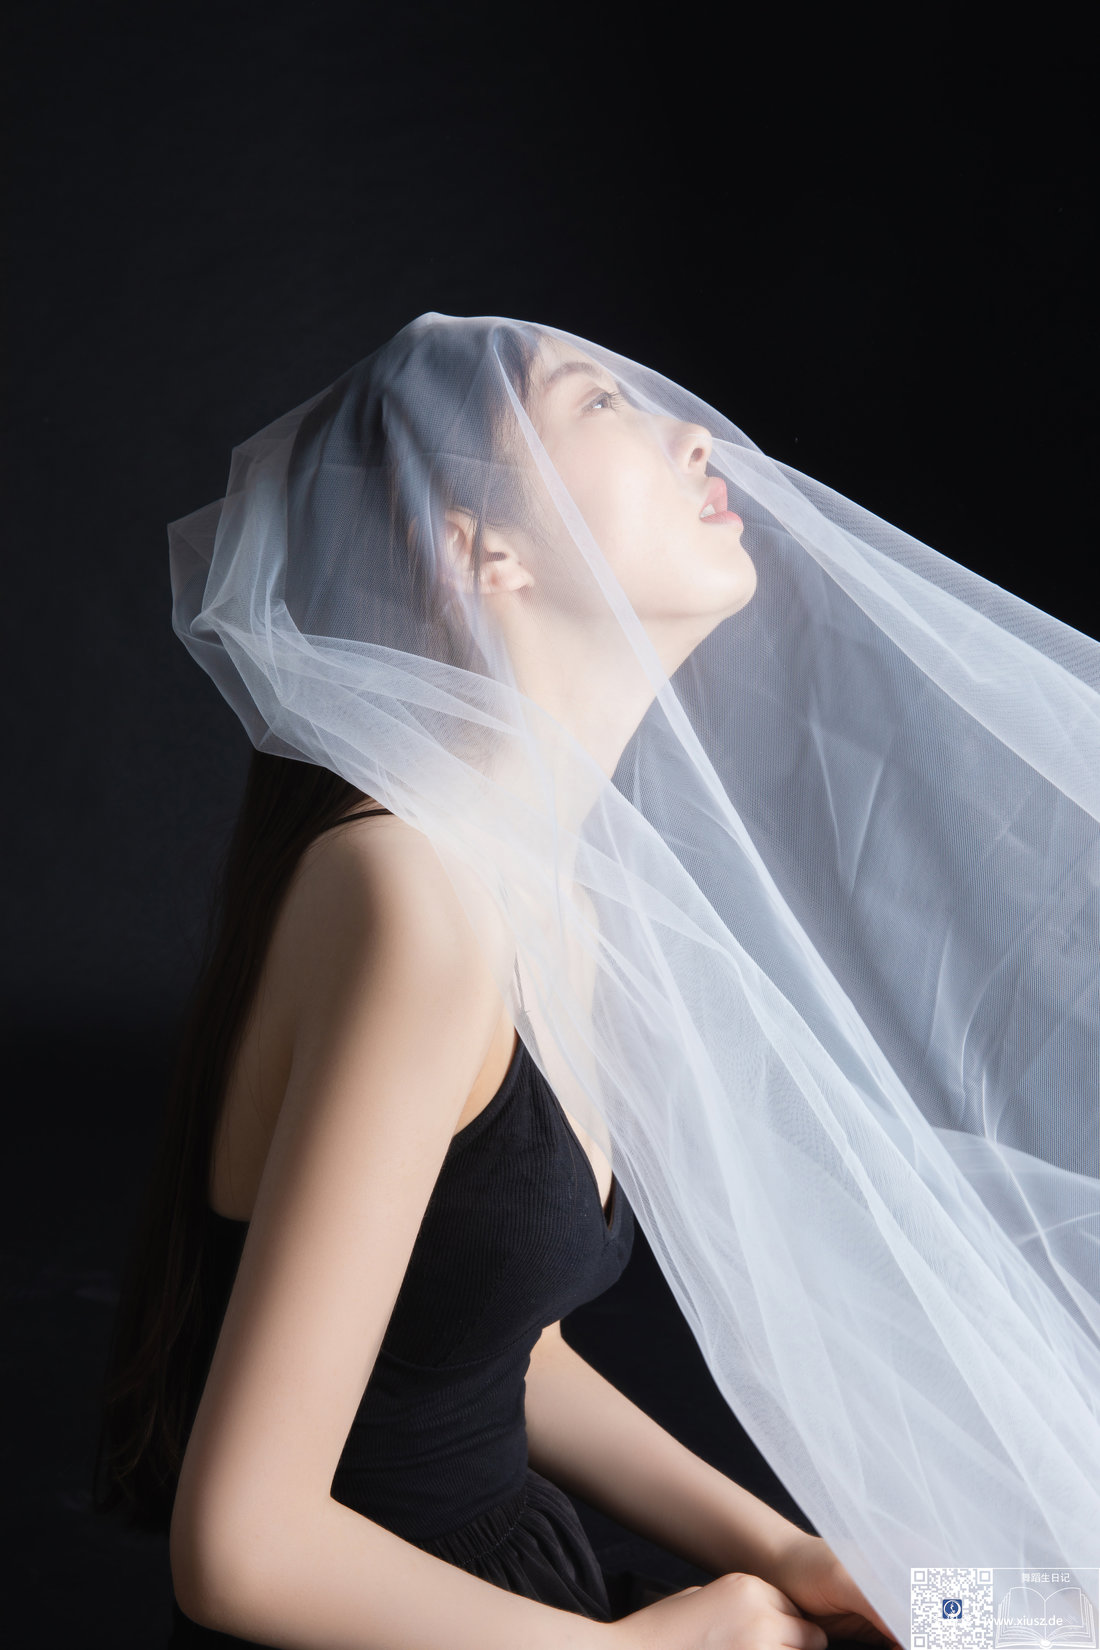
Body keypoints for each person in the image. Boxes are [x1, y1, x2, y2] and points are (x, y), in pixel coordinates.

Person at [96, 314, 1100, 1646]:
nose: (696, 434)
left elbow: (480, 1349)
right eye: (601, 405)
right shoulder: (412, 899)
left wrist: (793, 1551)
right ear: (482, 549)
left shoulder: (543, 888)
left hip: (524, 1601)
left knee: (1015, 1615)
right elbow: (240, 1548)